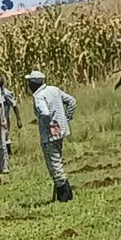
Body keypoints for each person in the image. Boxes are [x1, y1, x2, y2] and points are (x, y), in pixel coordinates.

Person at [27, 71, 76, 202]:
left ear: (33, 84)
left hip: (49, 135)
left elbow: (44, 113)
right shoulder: (54, 90)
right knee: (58, 160)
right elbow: (71, 101)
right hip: (62, 131)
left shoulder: (38, 96)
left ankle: (64, 195)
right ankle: (65, 193)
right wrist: (66, 118)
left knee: (54, 164)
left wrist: (49, 125)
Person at [0, 77, 22, 161]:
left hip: (5, 119)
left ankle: (8, 154)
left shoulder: (6, 93)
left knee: (5, 136)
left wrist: (18, 119)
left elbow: (14, 106)